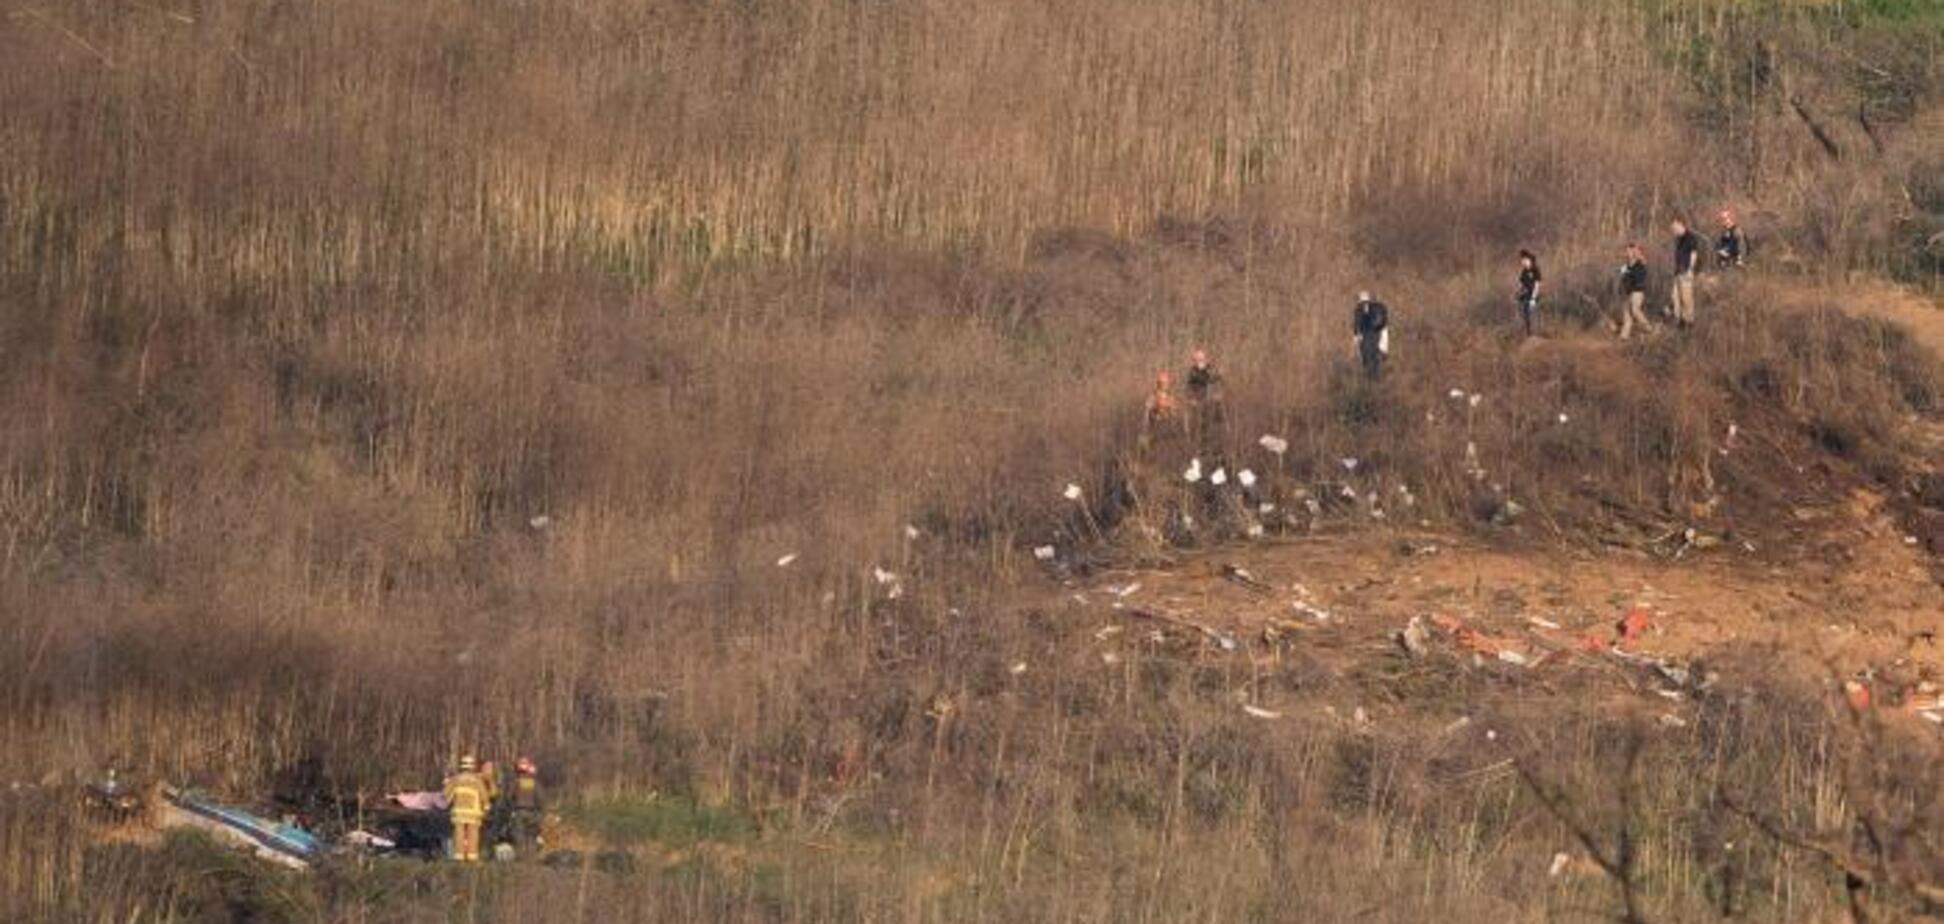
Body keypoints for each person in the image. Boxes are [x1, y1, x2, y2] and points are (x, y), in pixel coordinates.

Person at [443, 755, 489, 862]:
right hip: (473, 813)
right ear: (472, 766)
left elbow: (446, 795)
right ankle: (472, 858)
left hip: (459, 813)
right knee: (473, 835)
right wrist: (486, 808)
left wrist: (446, 782)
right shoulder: (477, 780)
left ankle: (459, 857)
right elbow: (484, 795)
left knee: (459, 834)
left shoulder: (456, 779)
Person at [1183, 348, 1225, 455]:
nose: (1198, 362)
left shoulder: (1212, 370)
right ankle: (1199, 450)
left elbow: (1220, 383)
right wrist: (1191, 399)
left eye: (1200, 359)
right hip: (1198, 404)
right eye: (1196, 359)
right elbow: (1188, 388)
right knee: (1199, 429)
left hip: (1212, 403)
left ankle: (1218, 448)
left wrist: (1218, 394)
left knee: (1217, 425)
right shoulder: (1192, 372)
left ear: (1205, 359)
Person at [1617, 243, 1653, 340]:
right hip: (1628, 292)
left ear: (1633, 252)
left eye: (1629, 251)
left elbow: (1639, 276)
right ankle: (1624, 336)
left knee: (1635, 310)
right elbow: (1621, 274)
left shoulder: (1640, 263)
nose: (1627, 253)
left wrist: (1629, 272)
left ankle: (1648, 327)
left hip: (1637, 291)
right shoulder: (1627, 265)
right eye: (1626, 251)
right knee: (1627, 314)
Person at [1670, 219, 1702, 327]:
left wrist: (1690, 269)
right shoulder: (1679, 239)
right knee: (1674, 296)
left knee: (1686, 298)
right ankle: (1680, 319)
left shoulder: (1690, 237)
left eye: (1674, 228)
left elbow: (1694, 254)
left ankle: (1689, 320)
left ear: (1681, 225)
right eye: (1672, 228)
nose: (1673, 230)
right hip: (1678, 272)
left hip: (1686, 272)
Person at [1352, 292, 1389, 381]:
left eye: (1365, 303)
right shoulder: (1359, 311)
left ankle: (1373, 381)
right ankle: (1371, 380)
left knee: (1372, 360)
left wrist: (1356, 336)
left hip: (1372, 337)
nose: (1364, 305)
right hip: (1369, 337)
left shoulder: (1374, 311)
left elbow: (1383, 328)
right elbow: (1357, 325)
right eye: (1362, 303)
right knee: (1369, 360)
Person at [510, 757, 544, 851]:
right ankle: (530, 858)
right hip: (532, 812)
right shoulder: (534, 783)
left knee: (519, 835)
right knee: (531, 835)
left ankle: (521, 856)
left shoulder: (516, 782)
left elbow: (510, 796)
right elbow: (540, 798)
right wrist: (540, 812)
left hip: (519, 812)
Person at [1515, 250, 1543, 337]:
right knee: (1524, 316)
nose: (1522, 262)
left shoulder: (1535, 270)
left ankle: (1534, 335)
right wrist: (1518, 293)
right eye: (1521, 261)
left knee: (1532, 316)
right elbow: (1521, 284)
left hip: (1533, 297)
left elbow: (1537, 285)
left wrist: (1533, 298)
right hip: (1524, 297)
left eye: (1524, 260)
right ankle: (1526, 335)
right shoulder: (1524, 271)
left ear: (1528, 260)